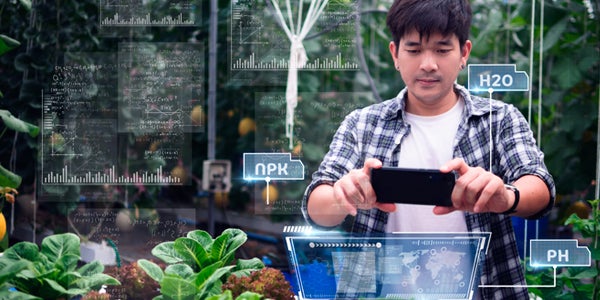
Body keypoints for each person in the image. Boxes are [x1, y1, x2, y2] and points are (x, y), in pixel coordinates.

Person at [301, 0, 555, 299]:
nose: (428, 64)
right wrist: (343, 196)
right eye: (414, 49)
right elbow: (316, 207)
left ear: (464, 53)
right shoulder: (363, 124)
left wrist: (504, 196)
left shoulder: (498, 119)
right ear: (395, 54)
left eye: (442, 49)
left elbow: (540, 188)